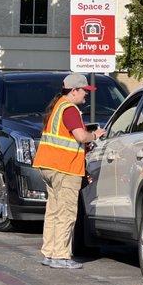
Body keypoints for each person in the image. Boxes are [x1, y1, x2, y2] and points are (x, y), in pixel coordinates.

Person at [33, 74, 106, 269]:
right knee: (66, 213)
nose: (86, 96)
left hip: (48, 165)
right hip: (65, 168)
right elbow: (81, 136)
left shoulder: (57, 107)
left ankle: (49, 253)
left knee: (54, 211)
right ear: (74, 91)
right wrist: (95, 135)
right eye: (84, 91)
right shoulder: (71, 110)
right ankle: (61, 256)